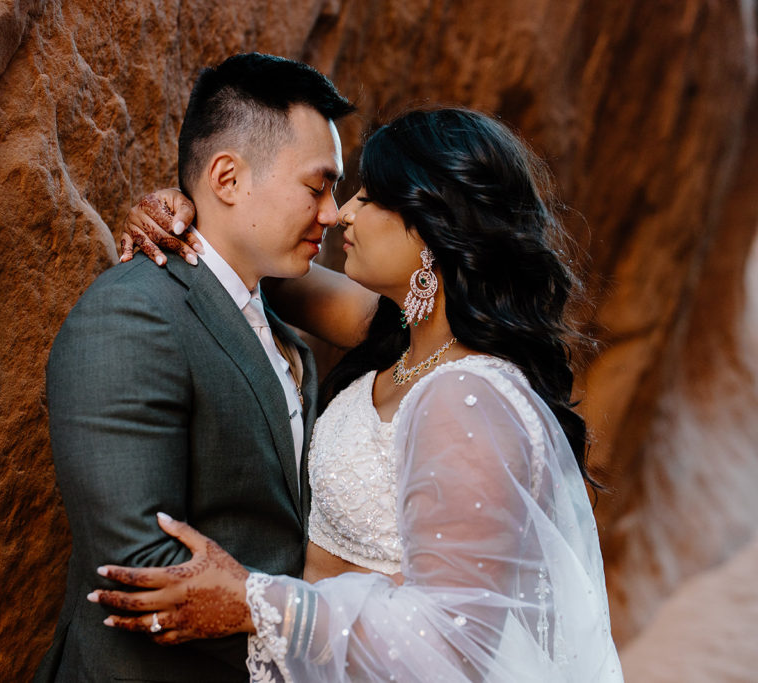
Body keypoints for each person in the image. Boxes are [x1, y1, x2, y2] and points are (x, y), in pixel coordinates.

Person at [97, 108, 624, 682]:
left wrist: (254, 602)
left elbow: (458, 640)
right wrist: (183, 208)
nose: (343, 212)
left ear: (428, 225)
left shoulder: (467, 399)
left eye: (368, 197)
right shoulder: (399, 339)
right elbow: (245, 260)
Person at [35, 52, 355, 682]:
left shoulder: (272, 317)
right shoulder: (132, 316)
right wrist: (324, 637)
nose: (333, 212)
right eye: (318, 186)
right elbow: (139, 570)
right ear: (228, 179)